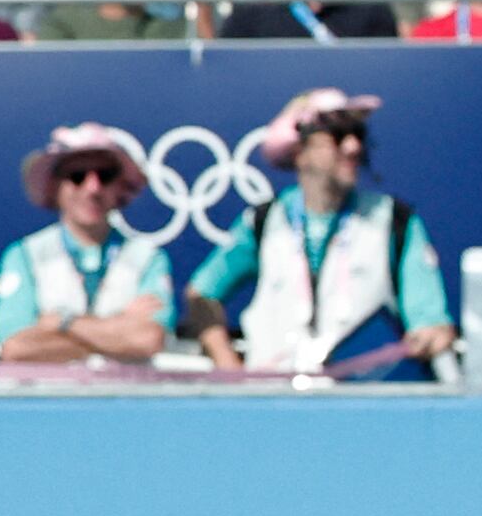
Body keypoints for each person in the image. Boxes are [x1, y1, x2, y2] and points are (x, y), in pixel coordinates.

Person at [189, 89, 455, 379]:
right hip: (272, 403)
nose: (353, 147)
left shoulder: (395, 221)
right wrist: (229, 367)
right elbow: (201, 295)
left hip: (360, 408)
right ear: (299, 151)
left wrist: (431, 335)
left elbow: (430, 322)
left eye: (358, 134)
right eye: (338, 135)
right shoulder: (264, 222)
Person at [0, 127, 182, 367]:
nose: (93, 188)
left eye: (105, 175)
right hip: (47, 400)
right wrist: (119, 326)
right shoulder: (24, 255)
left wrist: (63, 322)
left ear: (120, 186)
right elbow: (16, 348)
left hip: (127, 400)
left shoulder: (148, 258)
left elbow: (147, 340)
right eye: (78, 175)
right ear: (55, 185)